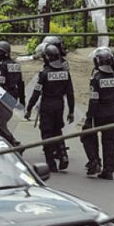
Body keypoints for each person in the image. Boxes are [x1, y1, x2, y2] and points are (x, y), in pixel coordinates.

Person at [25, 44, 75, 172]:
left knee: (46, 133)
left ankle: (51, 163)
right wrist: (71, 111)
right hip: (60, 105)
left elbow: (36, 93)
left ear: (47, 58)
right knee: (58, 130)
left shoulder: (44, 73)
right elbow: (70, 93)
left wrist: (29, 108)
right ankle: (63, 155)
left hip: (47, 106)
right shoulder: (65, 73)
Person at [81, 47, 114, 180]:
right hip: (113, 112)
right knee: (109, 141)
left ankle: (94, 161)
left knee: (87, 136)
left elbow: (94, 100)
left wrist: (89, 118)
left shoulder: (96, 79)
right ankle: (109, 169)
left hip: (98, 113)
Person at [0, 41, 25, 147]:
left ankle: (13, 143)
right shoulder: (16, 65)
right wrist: (22, 100)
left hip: (3, 96)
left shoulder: (2, 66)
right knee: (1, 123)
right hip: (14, 95)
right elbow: (21, 83)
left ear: (5, 53)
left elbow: (0, 84)